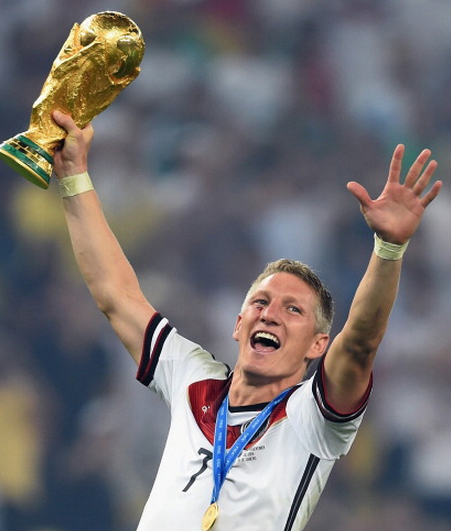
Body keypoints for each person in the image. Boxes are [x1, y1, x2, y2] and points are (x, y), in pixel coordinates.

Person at [50, 109, 442, 531]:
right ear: (238, 324)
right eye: (261, 302)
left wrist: (388, 249)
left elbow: (361, 342)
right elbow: (116, 295)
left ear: (317, 345)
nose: (271, 313)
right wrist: (74, 175)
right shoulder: (193, 380)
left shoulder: (311, 416)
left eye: (293, 310)